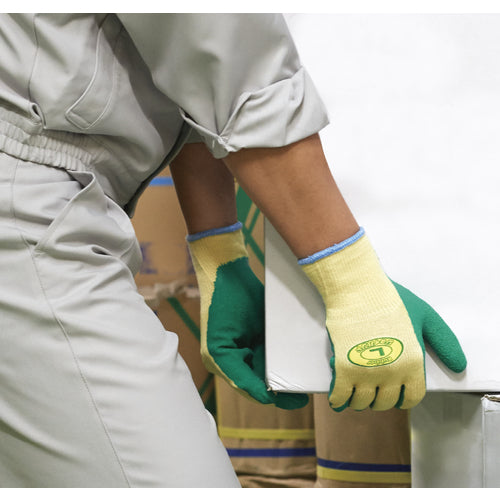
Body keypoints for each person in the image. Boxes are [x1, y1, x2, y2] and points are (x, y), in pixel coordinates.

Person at [0, 13, 466, 487]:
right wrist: (352, 283)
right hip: (23, 199)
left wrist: (218, 248)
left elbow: (188, 68)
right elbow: (231, 60)